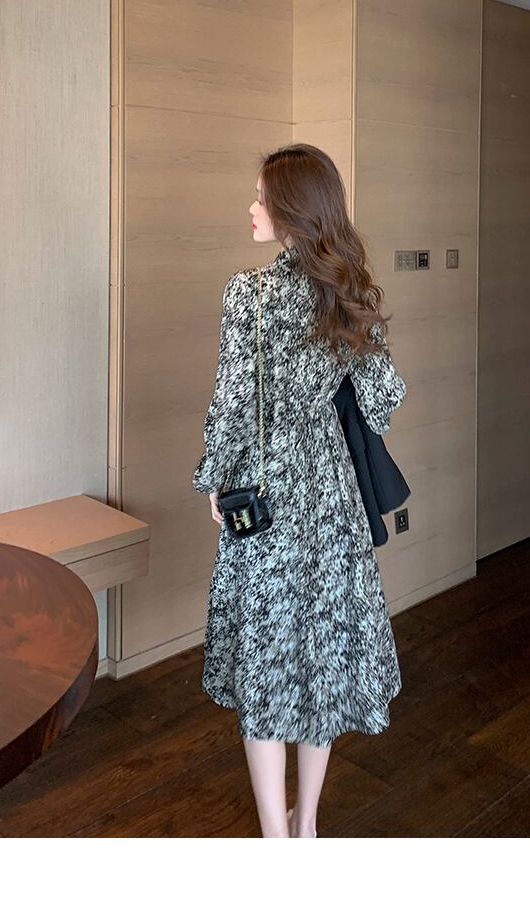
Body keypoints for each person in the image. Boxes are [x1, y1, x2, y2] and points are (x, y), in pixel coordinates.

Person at [192, 143, 408, 838]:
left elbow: (231, 404)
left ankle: (277, 839)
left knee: (267, 663)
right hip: (330, 493)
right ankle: (308, 822)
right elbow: (385, 400)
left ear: (290, 211)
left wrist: (214, 480)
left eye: (262, 198)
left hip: (265, 495)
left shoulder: (248, 294)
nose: (252, 208)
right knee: (322, 654)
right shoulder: (345, 293)